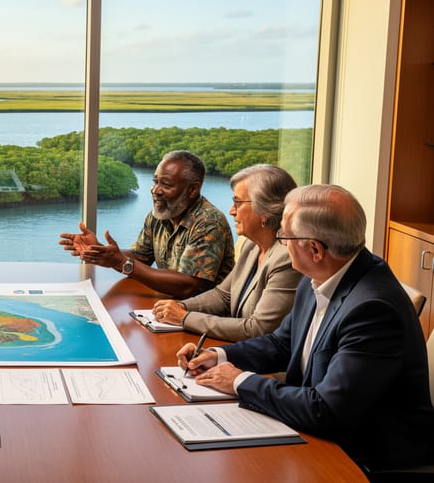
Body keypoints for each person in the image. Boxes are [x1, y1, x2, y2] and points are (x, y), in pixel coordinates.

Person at [177, 184, 434, 471]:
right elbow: (282, 344)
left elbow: (327, 410)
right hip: (321, 438)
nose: (281, 243)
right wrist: (221, 356)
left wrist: (239, 381)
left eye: (284, 235)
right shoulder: (323, 273)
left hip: (365, 461)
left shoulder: (373, 310)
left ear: (314, 248)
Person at [151, 164, 301, 340]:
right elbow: (223, 295)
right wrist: (180, 307)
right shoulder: (252, 246)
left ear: (265, 210)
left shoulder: (286, 257)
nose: (231, 211)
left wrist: (185, 318)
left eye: (237, 203)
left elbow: (258, 328)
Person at [59, 150, 235, 299]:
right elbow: (141, 257)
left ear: (192, 190)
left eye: (166, 184)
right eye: (155, 182)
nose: (156, 190)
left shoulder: (208, 222)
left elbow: (188, 286)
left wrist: (122, 263)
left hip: (203, 317)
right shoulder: (160, 214)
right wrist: (101, 252)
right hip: (168, 307)